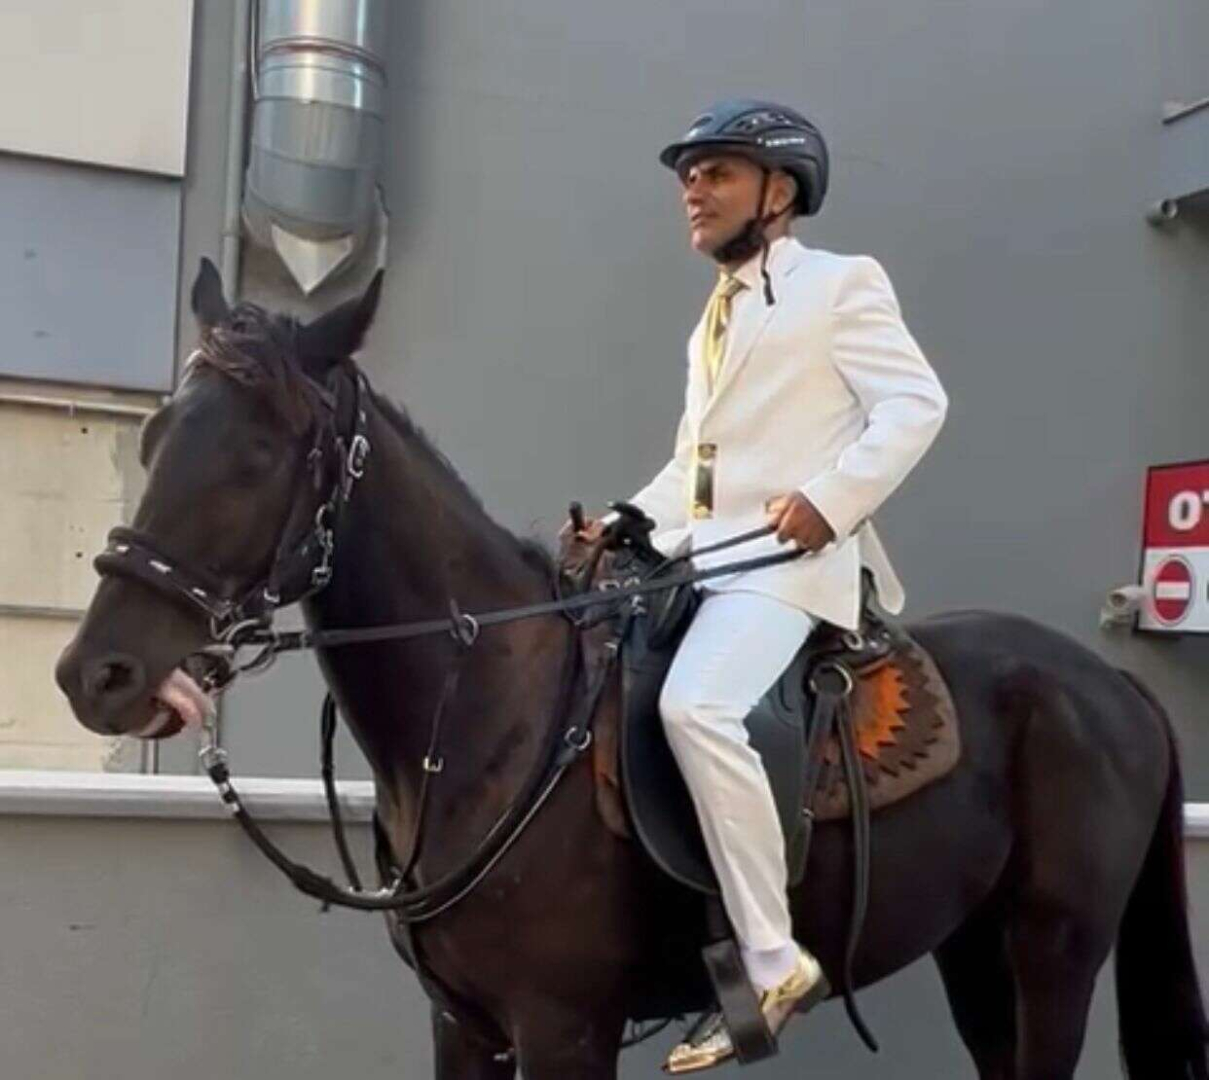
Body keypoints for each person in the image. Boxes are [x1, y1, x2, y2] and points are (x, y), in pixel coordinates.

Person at [568, 99, 948, 1072]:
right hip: (703, 562)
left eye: (717, 173)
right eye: (687, 176)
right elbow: (697, 468)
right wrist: (625, 519)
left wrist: (830, 500)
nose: (692, 190)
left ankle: (773, 960)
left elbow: (916, 404)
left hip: (789, 570)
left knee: (698, 707)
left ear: (778, 191)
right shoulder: (717, 315)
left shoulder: (840, 285)